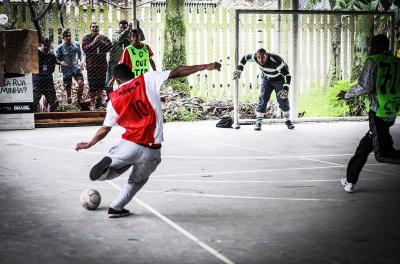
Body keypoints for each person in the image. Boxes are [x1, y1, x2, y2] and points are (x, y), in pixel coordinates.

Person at [75, 62, 221, 218]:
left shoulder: (114, 100)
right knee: (136, 181)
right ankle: (116, 208)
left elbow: (105, 128)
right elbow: (177, 71)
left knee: (114, 169)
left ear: (117, 80)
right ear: (131, 73)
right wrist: (205, 66)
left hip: (129, 145)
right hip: (151, 149)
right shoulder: (147, 79)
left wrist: (90, 143)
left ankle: (103, 173)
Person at [338, 34, 400, 193]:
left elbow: (365, 86)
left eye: (373, 46)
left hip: (378, 111)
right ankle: (350, 180)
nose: (371, 49)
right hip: (391, 110)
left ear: (379, 47)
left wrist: (346, 94)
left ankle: (350, 181)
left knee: (382, 154)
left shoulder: (374, 61)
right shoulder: (396, 62)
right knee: (365, 146)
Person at [233, 48, 295, 130]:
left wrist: (285, 88)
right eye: (258, 57)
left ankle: (287, 121)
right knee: (263, 98)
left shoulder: (276, 60)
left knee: (282, 99)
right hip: (266, 79)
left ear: (267, 55)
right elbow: (245, 58)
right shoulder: (255, 58)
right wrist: (239, 69)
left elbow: (287, 75)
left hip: (279, 79)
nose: (260, 59)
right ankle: (258, 122)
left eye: (263, 57)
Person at [82, 21, 112, 109]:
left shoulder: (104, 38)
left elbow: (109, 47)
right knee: (92, 86)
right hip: (91, 67)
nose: (95, 28)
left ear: (98, 28)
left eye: (96, 27)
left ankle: (99, 103)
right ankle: (92, 103)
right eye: (93, 27)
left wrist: (101, 41)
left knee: (100, 85)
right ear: (90, 28)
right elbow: (85, 49)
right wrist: (94, 42)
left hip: (102, 66)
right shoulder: (86, 38)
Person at [56, 30, 85, 105]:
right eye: (66, 36)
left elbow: (81, 54)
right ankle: (70, 105)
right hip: (66, 71)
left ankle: (78, 102)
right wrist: (60, 62)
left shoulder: (76, 44)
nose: (68, 37)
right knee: (68, 90)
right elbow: (56, 58)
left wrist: (82, 61)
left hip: (75, 69)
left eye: (69, 35)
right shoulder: (60, 48)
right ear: (63, 38)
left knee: (81, 83)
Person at [33, 38, 59, 112]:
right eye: (45, 45)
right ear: (41, 45)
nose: (46, 47)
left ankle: (51, 116)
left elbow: (52, 69)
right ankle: (35, 119)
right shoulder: (36, 54)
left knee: (54, 103)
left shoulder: (52, 56)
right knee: (33, 103)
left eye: (48, 46)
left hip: (48, 82)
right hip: (37, 82)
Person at [106, 20, 132, 87]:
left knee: (125, 79)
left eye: (124, 28)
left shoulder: (129, 34)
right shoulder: (115, 33)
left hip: (125, 61)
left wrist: (137, 27)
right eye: (121, 27)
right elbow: (119, 39)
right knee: (110, 79)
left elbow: (142, 38)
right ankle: (109, 96)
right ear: (119, 27)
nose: (122, 29)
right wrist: (127, 30)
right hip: (115, 59)